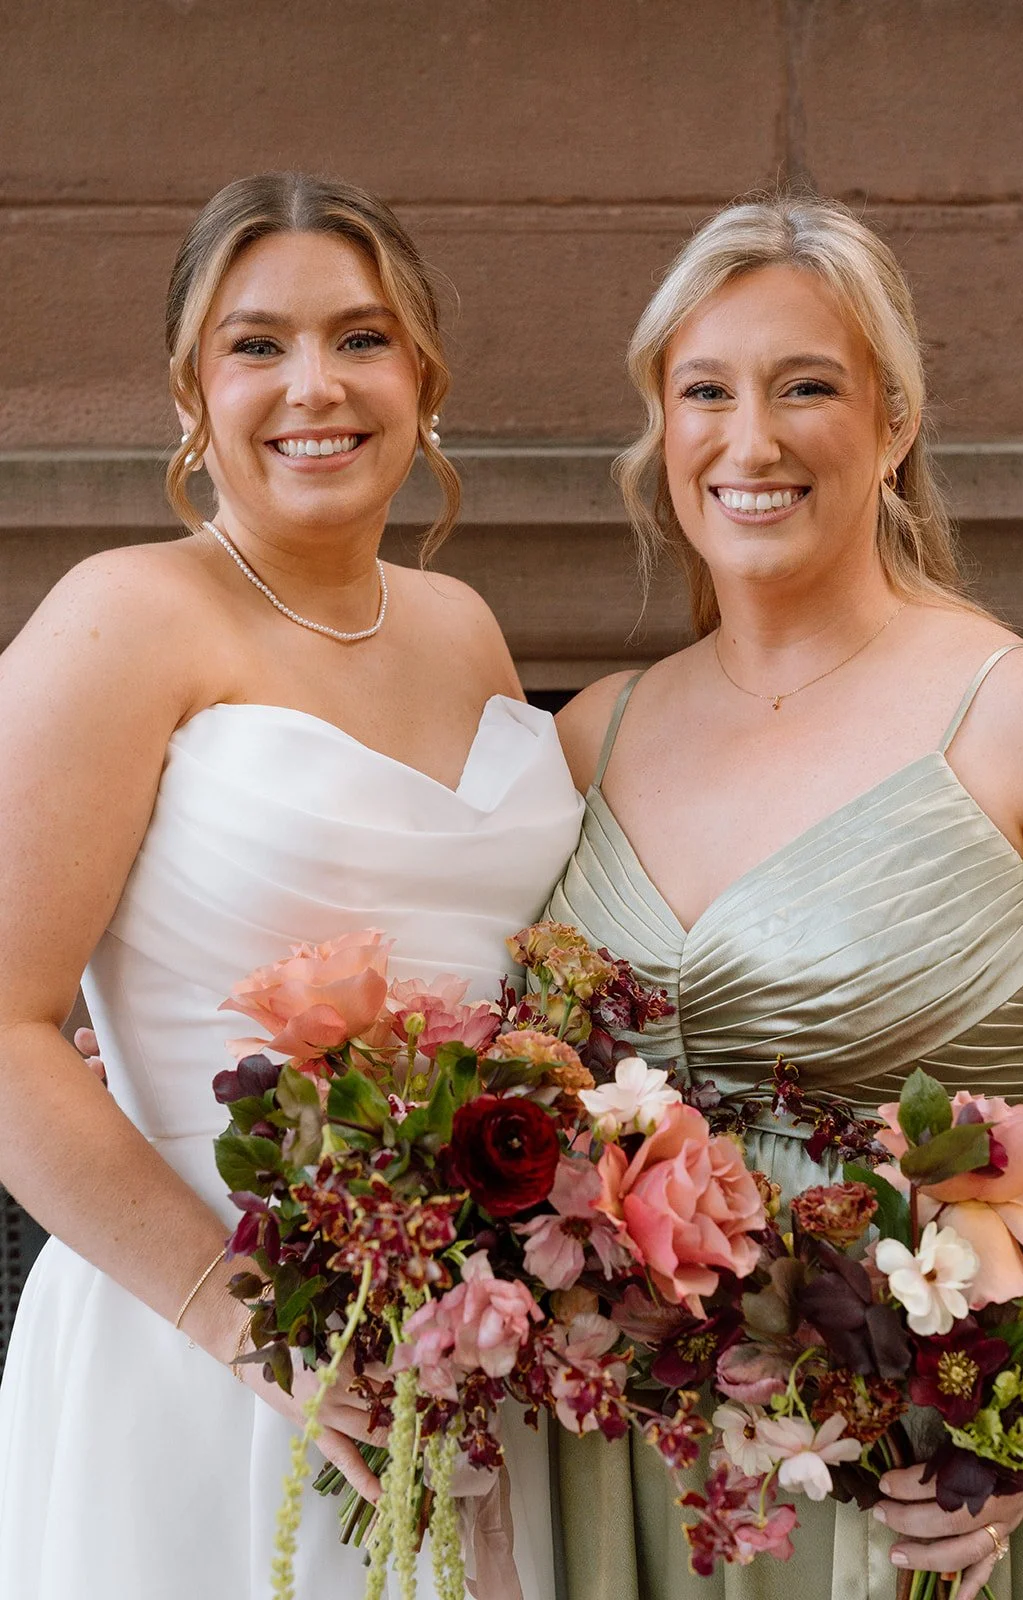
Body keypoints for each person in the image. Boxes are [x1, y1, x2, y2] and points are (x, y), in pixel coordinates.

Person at [0, 172, 581, 1598]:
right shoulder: (120, 618)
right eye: (256, 344)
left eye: (360, 337)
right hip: (205, 1335)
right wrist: (259, 1334)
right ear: (192, 393)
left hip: (473, 1345)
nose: (312, 384)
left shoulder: (462, 626)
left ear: (425, 376)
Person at [549, 195, 1023, 1600]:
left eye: (806, 388)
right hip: (627, 1466)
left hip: (934, 1470)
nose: (750, 440)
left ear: (893, 422)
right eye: (704, 391)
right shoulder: (589, 734)